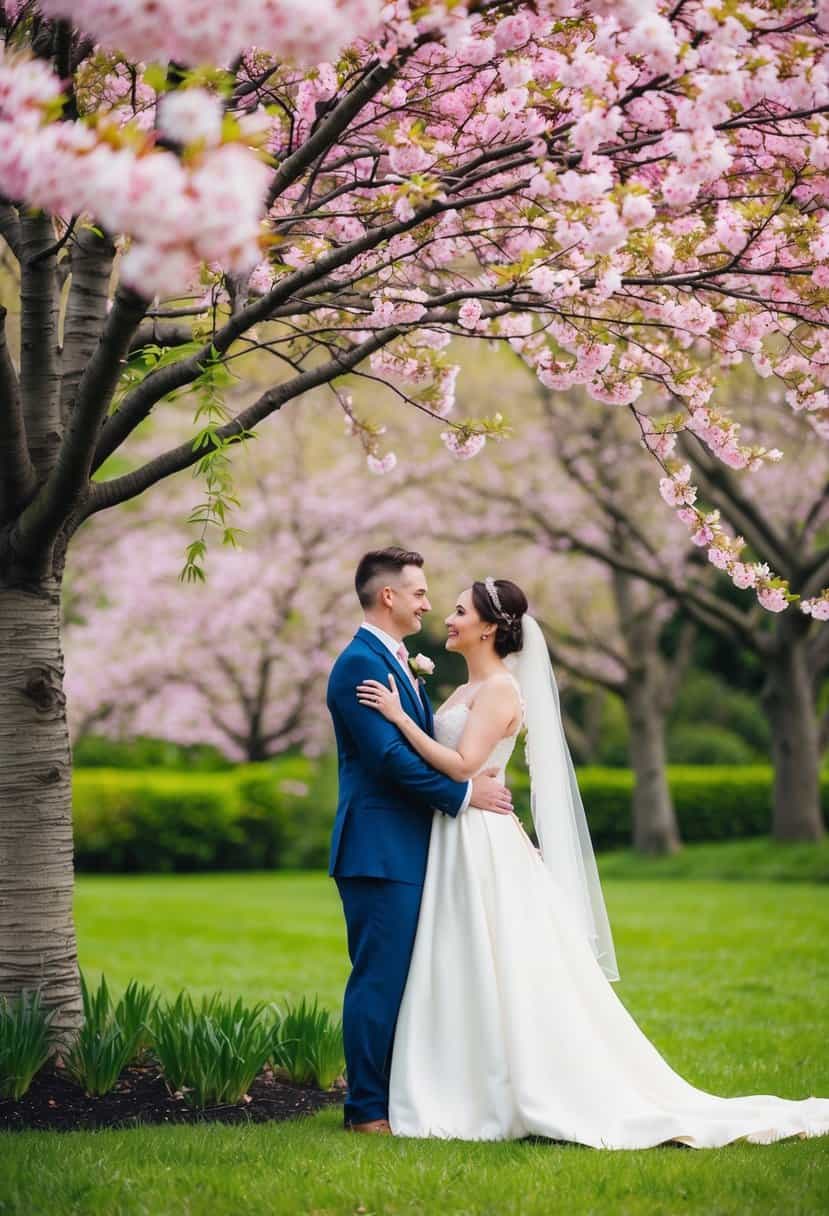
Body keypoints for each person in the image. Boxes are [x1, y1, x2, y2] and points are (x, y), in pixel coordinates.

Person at [356, 576, 829, 1147]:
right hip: (458, 833)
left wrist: (400, 718)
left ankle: (500, 1085)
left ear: (488, 627)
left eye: (458, 611)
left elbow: (460, 766)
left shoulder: (501, 690)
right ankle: (459, 1075)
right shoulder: (461, 692)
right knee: (459, 953)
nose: (447, 619)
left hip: (479, 836)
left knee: (490, 953)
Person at [326, 548, 514, 1135]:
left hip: (407, 846)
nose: (429, 604)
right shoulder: (360, 664)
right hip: (379, 848)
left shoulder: (394, 662)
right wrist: (463, 797)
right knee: (378, 978)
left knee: (405, 977)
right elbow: (386, 760)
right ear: (389, 597)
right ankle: (365, 1112)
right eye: (420, 593)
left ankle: (402, 1095)